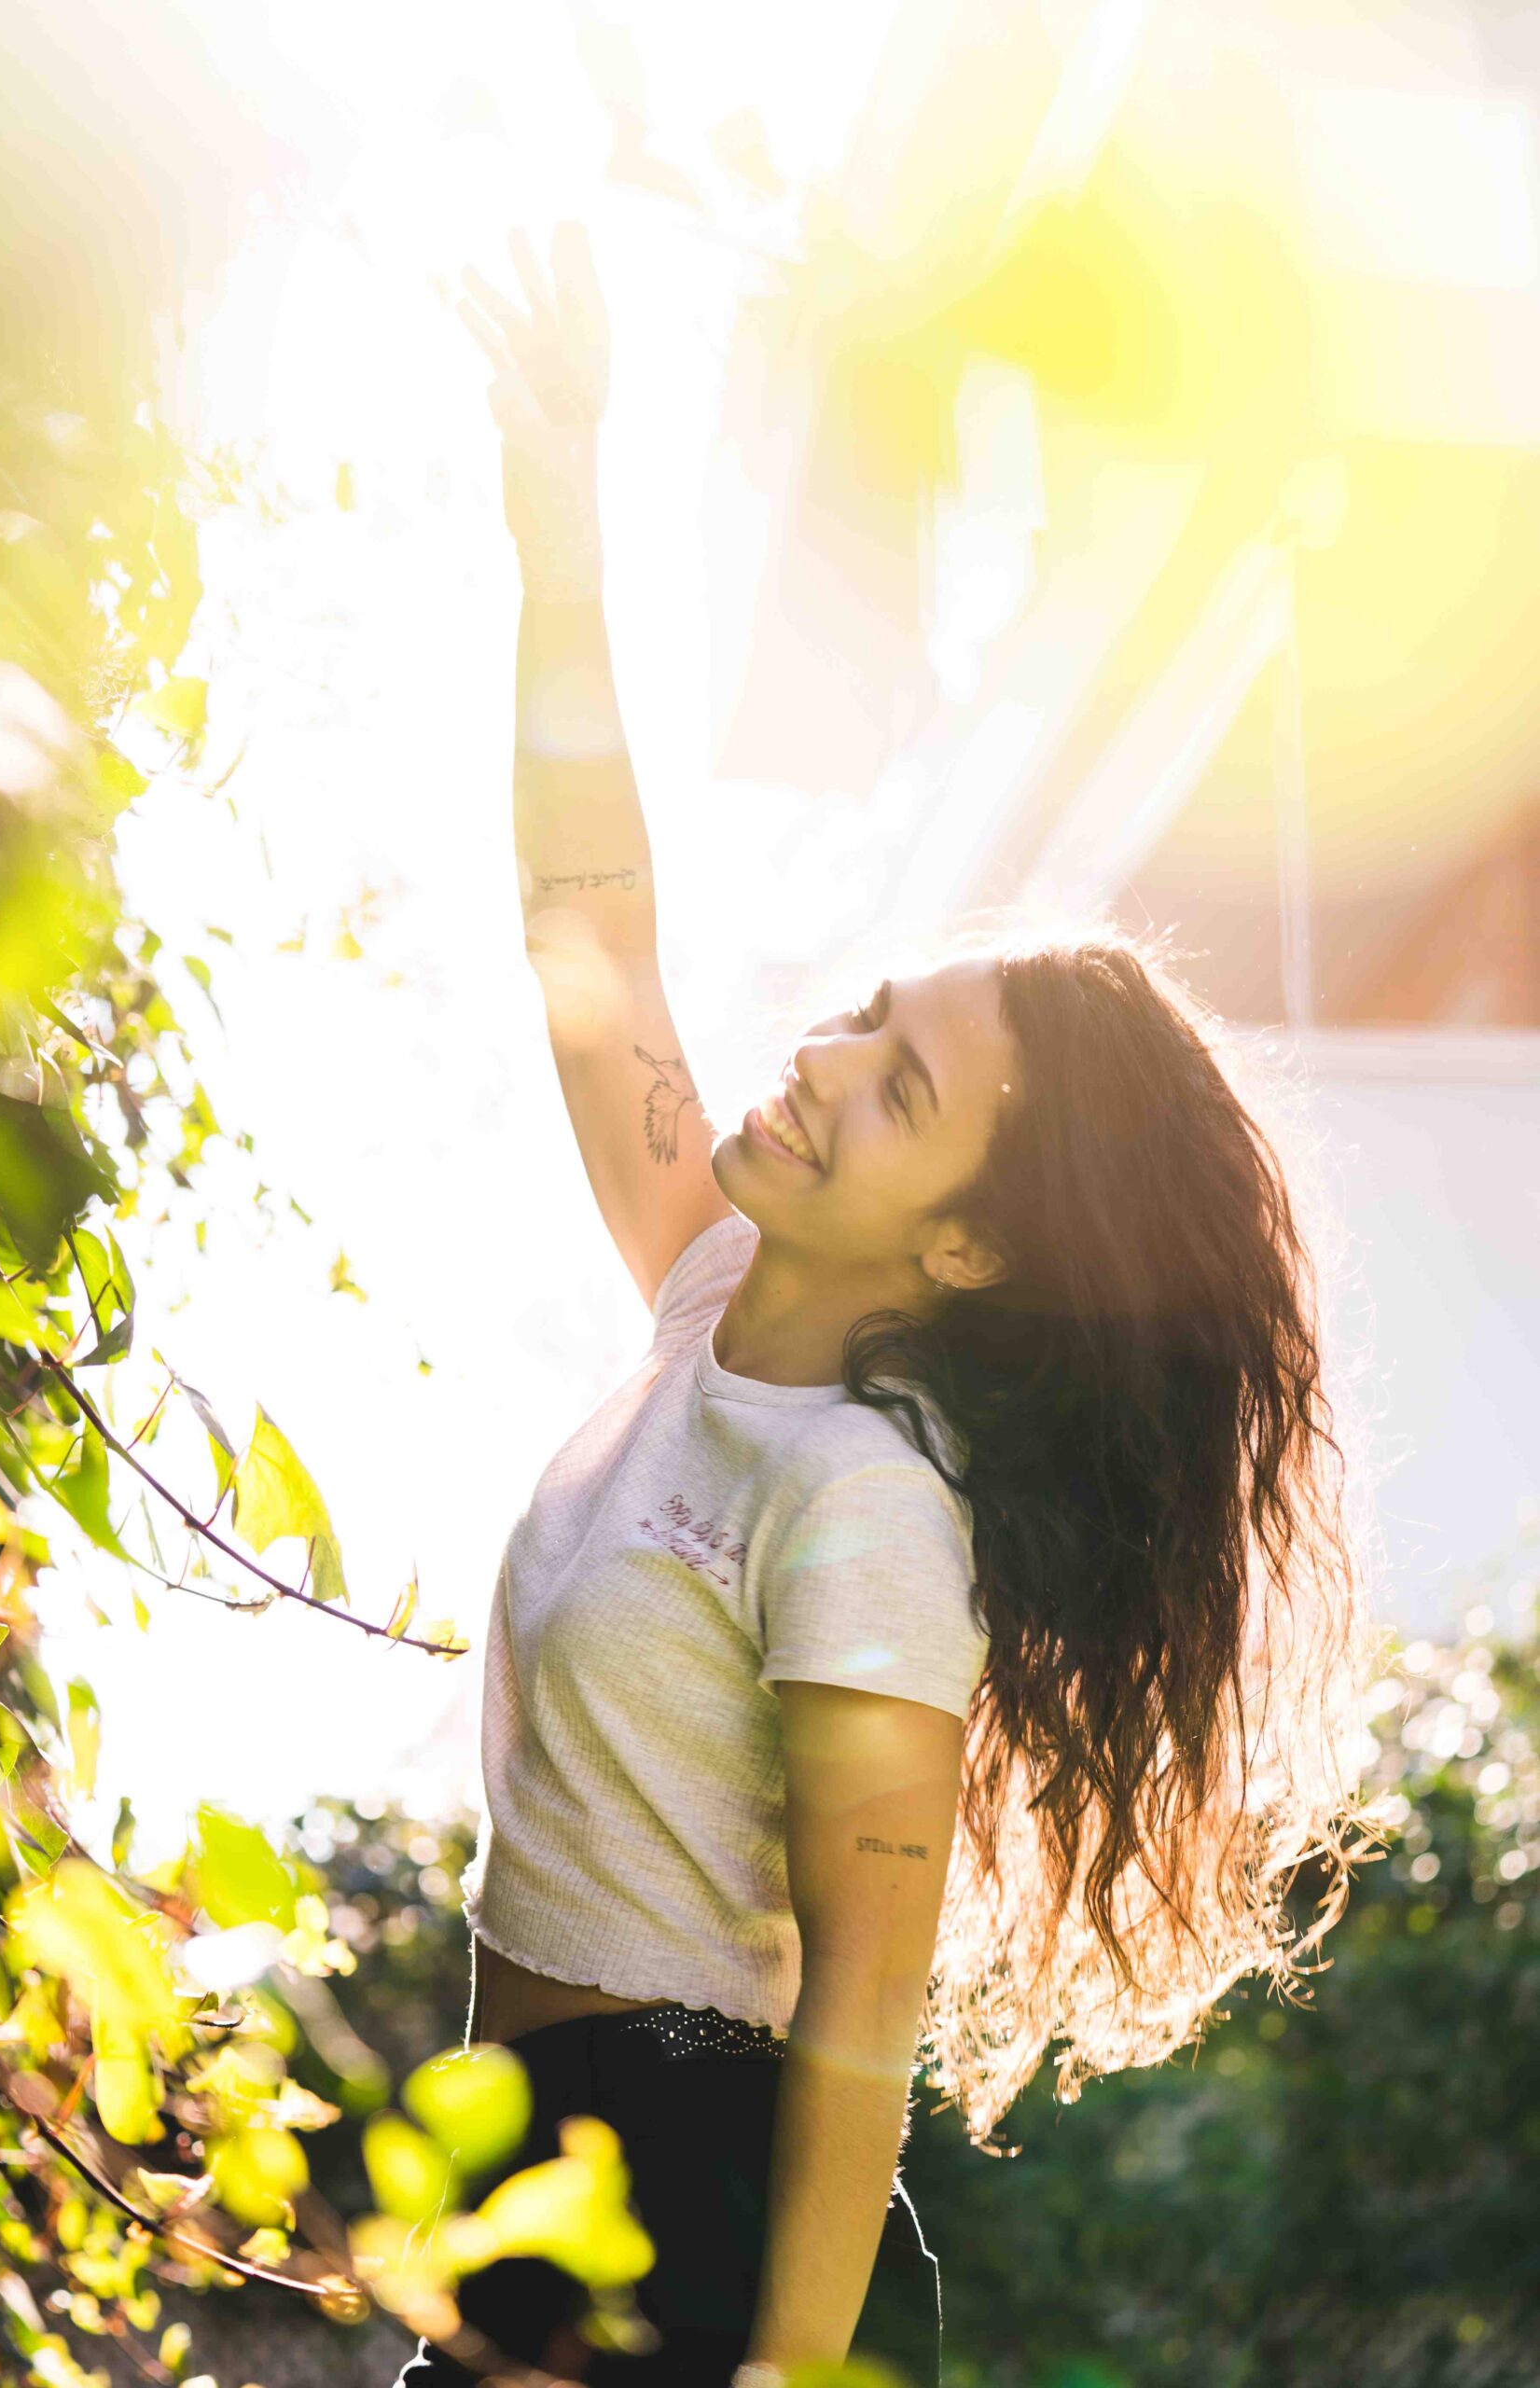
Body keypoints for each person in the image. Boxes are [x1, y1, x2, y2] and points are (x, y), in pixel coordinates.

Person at [393, 223, 1374, 2388]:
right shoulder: (718, 1292)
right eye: (855, 1013)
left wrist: (783, 2374)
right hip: (536, 2198)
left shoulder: (861, 1516)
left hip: (684, 2230)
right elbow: (590, 931)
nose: (819, 1057)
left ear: (965, 1248)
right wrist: (556, 516)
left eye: (897, 1082)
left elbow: (857, 2018)